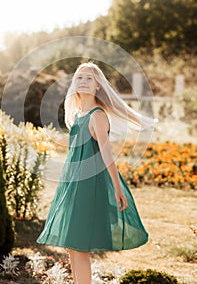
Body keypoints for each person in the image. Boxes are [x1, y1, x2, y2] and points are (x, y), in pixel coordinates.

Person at [37, 62, 157, 284]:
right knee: (72, 245)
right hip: (74, 183)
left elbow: (107, 155)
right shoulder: (79, 114)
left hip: (89, 186)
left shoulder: (97, 116)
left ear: (98, 86)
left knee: (79, 243)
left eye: (89, 78)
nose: (83, 81)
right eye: (79, 77)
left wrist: (118, 189)